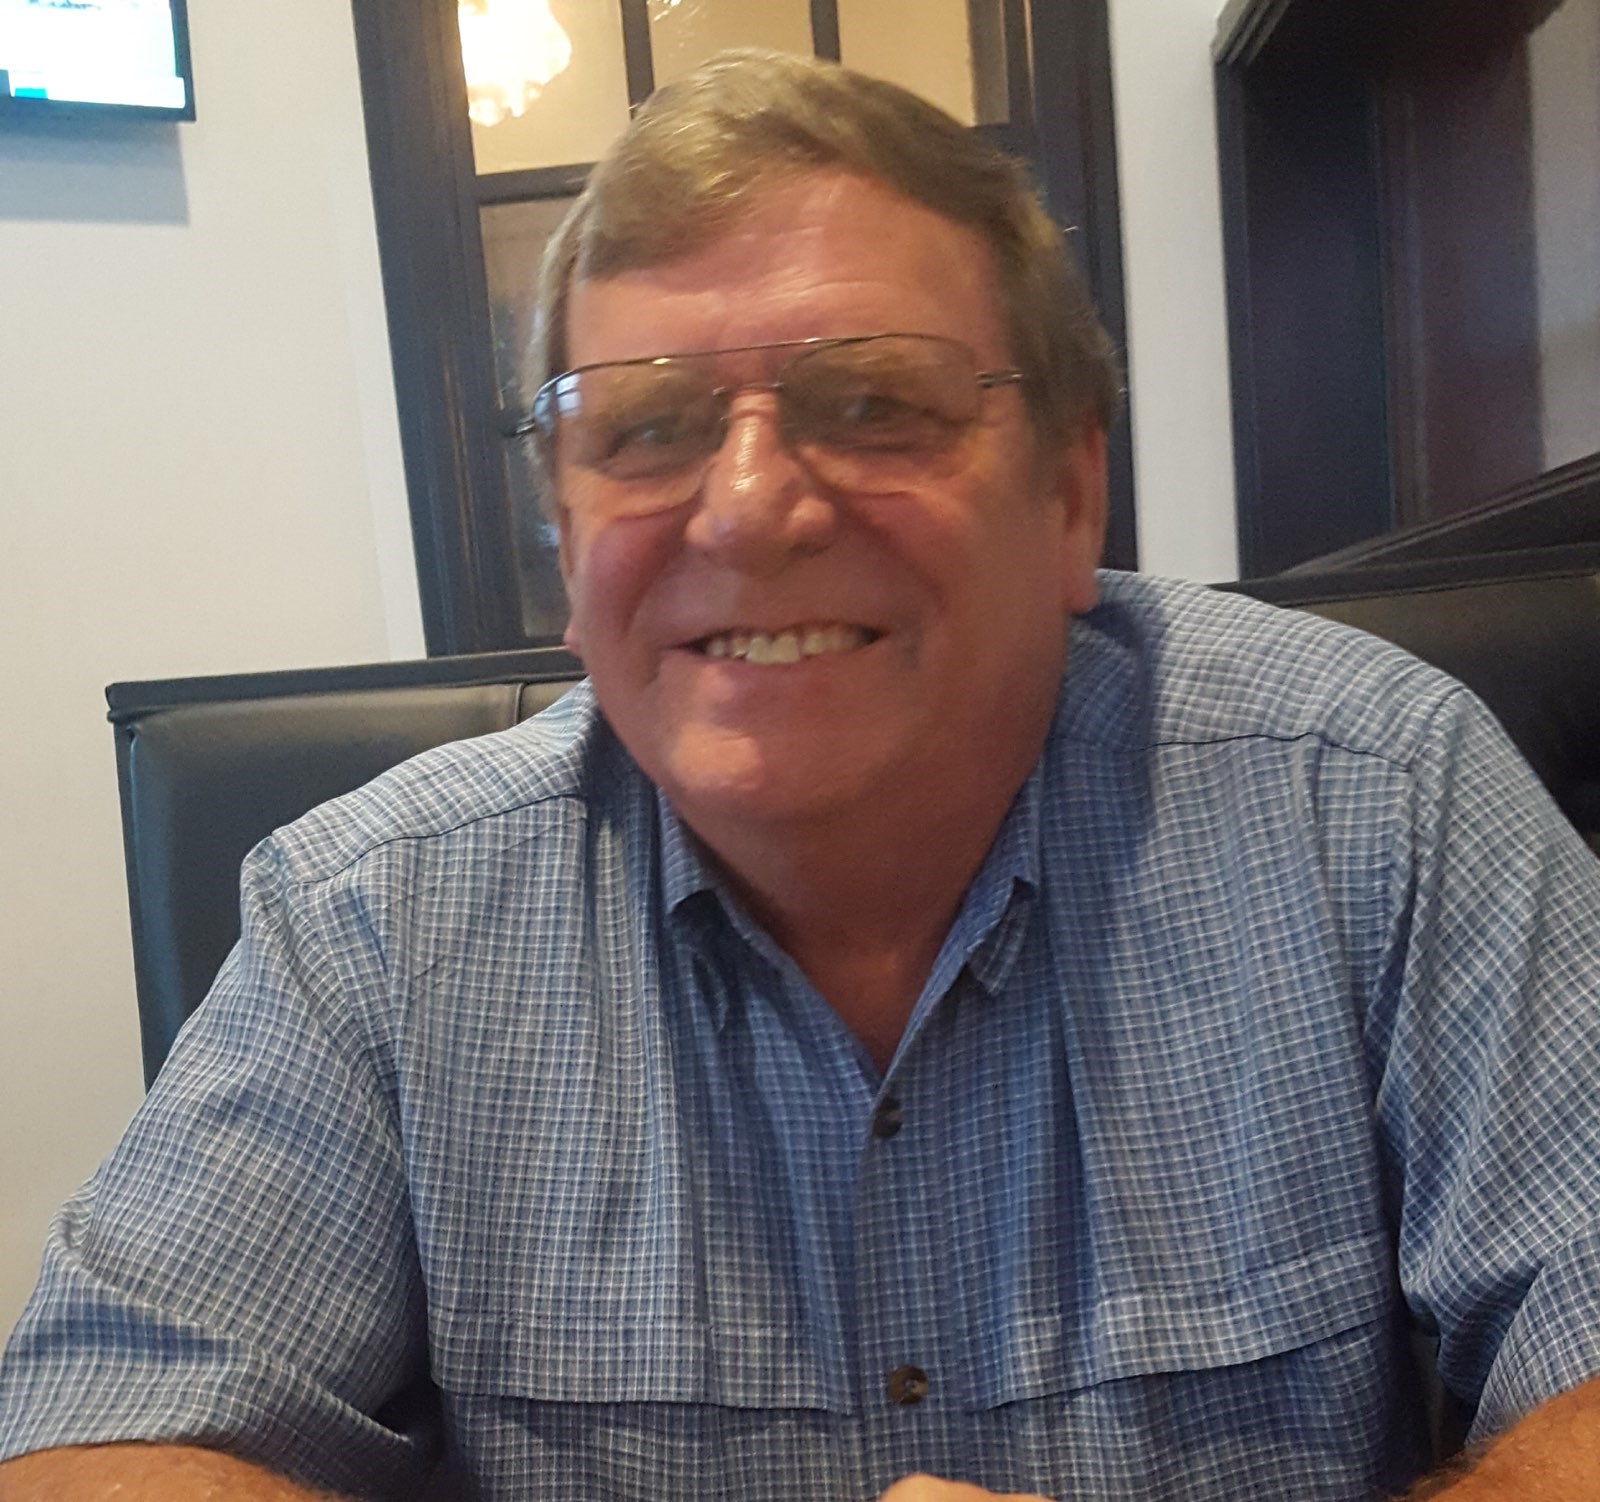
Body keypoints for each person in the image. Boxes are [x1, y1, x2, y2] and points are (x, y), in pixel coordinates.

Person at [2, 47, 1599, 1502]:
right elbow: (93, 1443)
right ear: (564, 543)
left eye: (874, 401)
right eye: (646, 429)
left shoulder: (1376, 797)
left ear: (1069, 494)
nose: (750, 507)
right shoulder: (370, 915)